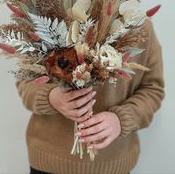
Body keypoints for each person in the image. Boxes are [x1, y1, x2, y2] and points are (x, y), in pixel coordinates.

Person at [16, 18, 165, 174]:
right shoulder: (48, 16)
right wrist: (52, 98)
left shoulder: (139, 26)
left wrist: (120, 120)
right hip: (49, 160)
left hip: (112, 163)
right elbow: (26, 81)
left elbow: (152, 89)